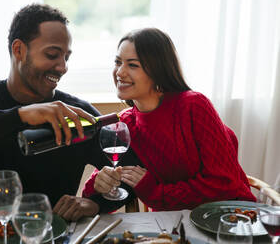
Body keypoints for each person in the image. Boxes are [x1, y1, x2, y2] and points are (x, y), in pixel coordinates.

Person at [0, 3, 131, 220]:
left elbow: (131, 176)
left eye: (66, 57)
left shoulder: (76, 115)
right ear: (18, 49)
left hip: (49, 235)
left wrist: (93, 204)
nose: (62, 67)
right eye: (52, 54)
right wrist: (21, 115)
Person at [82, 28, 256, 211]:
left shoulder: (193, 105)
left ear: (158, 70)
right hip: (170, 225)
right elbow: (101, 192)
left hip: (230, 215)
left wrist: (156, 193)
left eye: (132, 65)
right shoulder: (126, 124)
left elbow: (223, 184)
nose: (120, 72)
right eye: (118, 62)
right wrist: (99, 185)